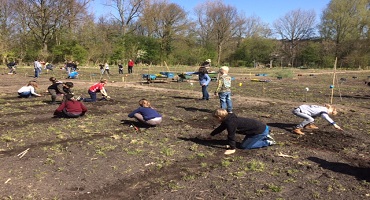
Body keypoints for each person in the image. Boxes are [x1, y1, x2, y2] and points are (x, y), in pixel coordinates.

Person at [209, 109, 275, 155]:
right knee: (244, 144)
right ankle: (264, 136)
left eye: (216, 118)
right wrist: (212, 134)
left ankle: (267, 142)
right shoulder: (228, 118)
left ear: (219, 117)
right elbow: (221, 127)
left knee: (244, 146)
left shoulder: (230, 123)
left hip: (260, 131)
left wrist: (232, 148)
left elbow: (231, 135)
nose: (215, 120)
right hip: (254, 131)